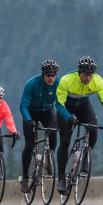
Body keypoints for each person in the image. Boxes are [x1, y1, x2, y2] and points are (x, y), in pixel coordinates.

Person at [55, 55, 103, 194]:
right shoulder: (67, 80)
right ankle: (61, 179)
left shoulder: (98, 81)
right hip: (66, 107)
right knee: (65, 140)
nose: (88, 78)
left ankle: (86, 155)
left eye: (90, 75)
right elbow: (59, 104)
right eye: (85, 75)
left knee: (93, 129)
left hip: (83, 105)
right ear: (79, 72)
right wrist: (68, 118)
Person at [18, 60, 60, 193]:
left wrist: (66, 118)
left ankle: (48, 158)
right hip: (31, 112)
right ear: (43, 75)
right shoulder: (32, 84)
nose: (51, 78)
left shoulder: (58, 84)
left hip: (47, 111)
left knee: (53, 132)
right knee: (30, 144)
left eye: (53, 75)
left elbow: (62, 103)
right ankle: (25, 177)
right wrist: (28, 120)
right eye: (48, 75)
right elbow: (23, 105)